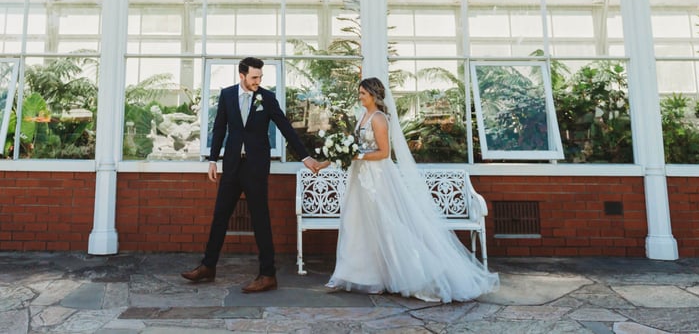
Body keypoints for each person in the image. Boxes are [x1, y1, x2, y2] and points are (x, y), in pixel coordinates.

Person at [324, 77, 500, 302]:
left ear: (374, 95)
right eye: (359, 93)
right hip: (360, 179)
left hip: (377, 179)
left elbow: (384, 153)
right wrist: (333, 158)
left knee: (385, 225)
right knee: (357, 224)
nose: (360, 97)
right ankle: (352, 275)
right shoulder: (363, 116)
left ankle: (404, 274)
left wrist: (357, 155)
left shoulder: (379, 119)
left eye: (363, 94)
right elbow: (353, 145)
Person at [182, 56, 325, 293]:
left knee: (260, 219)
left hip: (256, 167)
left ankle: (268, 274)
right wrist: (212, 160)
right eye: (254, 77)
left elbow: (285, 127)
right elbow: (219, 128)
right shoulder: (227, 95)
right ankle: (208, 266)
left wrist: (305, 157)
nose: (258, 81)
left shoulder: (266, 98)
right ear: (242, 76)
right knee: (220, 216)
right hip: (232, 166)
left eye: (260, 77)